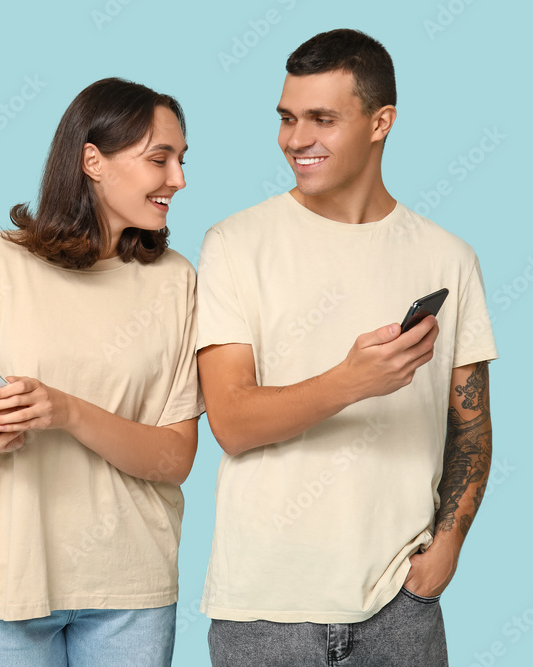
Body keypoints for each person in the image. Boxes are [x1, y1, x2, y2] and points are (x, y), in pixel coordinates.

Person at [196, 29, 497, 666]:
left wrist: (447, 550)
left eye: (322, 119)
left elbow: (470, 427)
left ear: (381, 122)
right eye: (286, 118)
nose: (296, 139)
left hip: (401, 606)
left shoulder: (449, 257)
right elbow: (231, 421)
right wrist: (353, 380)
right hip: (264, 610)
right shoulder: (234, 243)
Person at [0, 77, 204, 666]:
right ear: (93, 160)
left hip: (130, 587)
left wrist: (67, 411)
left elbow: (177, 458)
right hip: (2, 584)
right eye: (159, 159)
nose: (179, 179)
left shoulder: (175, 281)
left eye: (181, 160)